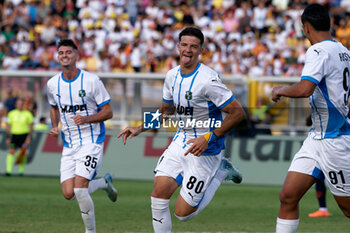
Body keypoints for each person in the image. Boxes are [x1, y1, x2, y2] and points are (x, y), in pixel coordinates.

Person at [118, 27, 246, 233]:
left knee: (182, 214)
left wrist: (208, 137)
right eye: (184, 45)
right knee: (158, 194)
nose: (188, 50)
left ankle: (222, 171)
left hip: (206, 149)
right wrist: (140, 128)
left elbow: (238, 113)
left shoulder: (208, 80)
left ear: (201, 50)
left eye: (194, 46)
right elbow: (166, 111)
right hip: (181, 140)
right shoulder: (171, 76)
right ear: (178, 46)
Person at [272, 4, 350, 232]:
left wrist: (280, 90)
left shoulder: (318, 50)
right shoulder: (343, 51)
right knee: (288, 196)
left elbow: (305, 89)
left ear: (306, 28)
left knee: (347, 209)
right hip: (316, 138)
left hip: (334, 141)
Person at [46, 39, 117, 233]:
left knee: (79, 189)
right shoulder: (53, 84)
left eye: (69, 52)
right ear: (57, 56)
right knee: (69, 193)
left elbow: (109, 112)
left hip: (91, 140)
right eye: (61, 53)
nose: (65, 56)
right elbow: (54, 107)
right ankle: (103, 182)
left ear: (76, 55)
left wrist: (87, 119)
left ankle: (90, 231)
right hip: (69, 144)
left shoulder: (91, 81)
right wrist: (54, 126)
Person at [5, 98, 33, 176]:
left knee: (22, 153)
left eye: (21, 104)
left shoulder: (28, 114)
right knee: (11, 152)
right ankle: (8, 171)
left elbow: (31, 127)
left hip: (24, 135)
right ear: (16, 105)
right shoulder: (11, 113)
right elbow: (8, 127)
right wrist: (7, 137)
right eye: (19, 104)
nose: (20, 105)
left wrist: (29, 138)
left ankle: (21, 171)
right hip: (14, 135)